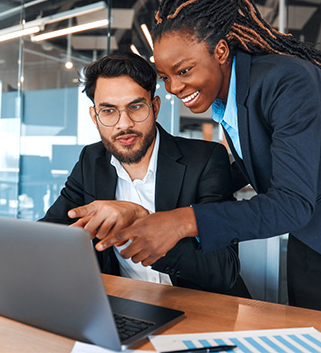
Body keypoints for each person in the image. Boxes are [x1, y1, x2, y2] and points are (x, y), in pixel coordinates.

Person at [88, 0, 321, 321]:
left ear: (220, 51)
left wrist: (182, 220)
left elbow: (292, 203)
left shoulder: (285, 81)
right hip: (314, 222)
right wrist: (197, 182)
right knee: (309, 327)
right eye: (166, 77)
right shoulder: (233, 94)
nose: (175, 88)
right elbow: (263, 160)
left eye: (184, 70)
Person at [41, 52, 250, 298]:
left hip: (200, 310)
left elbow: (224, 270)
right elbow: (49, 236)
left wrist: (144, 224)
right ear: (94, 117)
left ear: (155, 107)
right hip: (126, 305)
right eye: (108, 111)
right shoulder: (92, 161)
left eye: (136, 107)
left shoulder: (204, 160)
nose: (124, 124)